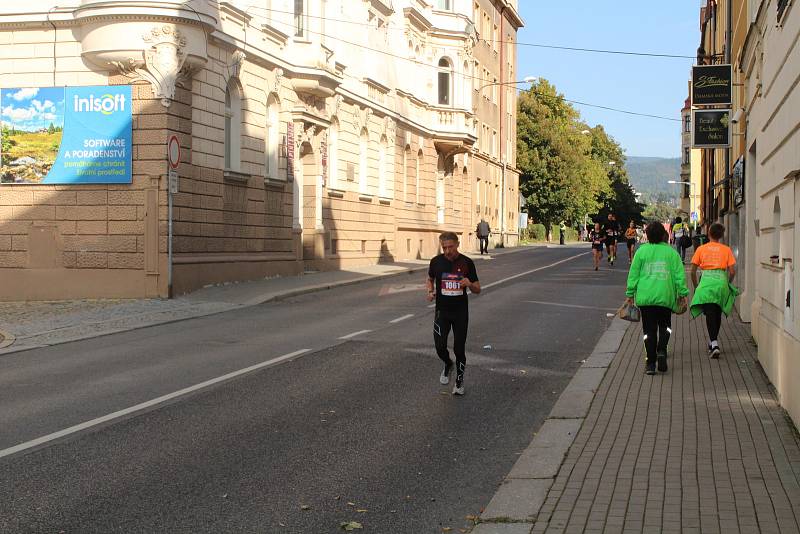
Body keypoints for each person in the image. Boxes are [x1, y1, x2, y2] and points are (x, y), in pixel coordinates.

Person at [625, 222, 689, 375]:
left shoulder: (641, 252)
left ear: (647, 235)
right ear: (663, 235)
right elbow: (679, 275)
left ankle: (651, 363)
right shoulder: (671, 253)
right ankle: (662, 349)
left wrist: (630, 294)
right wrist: (683, 293)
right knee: (665, 326)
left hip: (645, 298)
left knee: (648, 330)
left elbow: (633, 274)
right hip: (665, 296)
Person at [426, 232, 481, 395]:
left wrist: (469, 284)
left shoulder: (467, 262)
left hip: (460, 313)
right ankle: (448, 364)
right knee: (439, 346)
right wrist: (430, 291)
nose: (448, 251)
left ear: (457, 244)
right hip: (442, 312)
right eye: (444, 248)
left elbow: (478, 289)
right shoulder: (436, 262)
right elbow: (430, 279)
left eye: (450, 247)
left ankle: (459, 380)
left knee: (459, 348)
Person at [689, 223, 739, 359]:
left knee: (710, 313)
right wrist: (727, 283)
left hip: (706, 283)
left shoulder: (701, 249)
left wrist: (696, 286)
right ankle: (713, 342)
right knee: (716, 313)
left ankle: (715, 344)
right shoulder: (726, 250)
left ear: (709, 233)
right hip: (721, 283)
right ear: (721, 235)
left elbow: (693, 272)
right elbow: (733, 271)